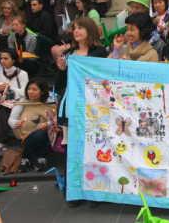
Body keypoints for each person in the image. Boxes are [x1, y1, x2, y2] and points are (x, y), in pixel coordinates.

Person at [54, 17, 107, 209]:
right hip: (72, 106)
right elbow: (59, 84)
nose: (76, 31)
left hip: (93, 106)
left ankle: (95, 190)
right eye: (74, 28)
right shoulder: (69, 53)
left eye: (81, 27)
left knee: (95, 147)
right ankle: (74, 191)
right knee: (72, 148)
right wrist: (61, 70)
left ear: (90, 30)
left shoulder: (99, 52)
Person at [8, 77, 56, 172]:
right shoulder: (22, 102)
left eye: (34, 89)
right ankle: (26, 157)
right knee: (35, 135)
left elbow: (55, 119)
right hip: (25, 136)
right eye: (29, 89)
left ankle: (37, 157)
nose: (30, 92)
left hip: (44, 136)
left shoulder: (50, 103)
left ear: (42, 92)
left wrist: (47, 124)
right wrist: (15, 123)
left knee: (41, 133)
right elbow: (11, 119)